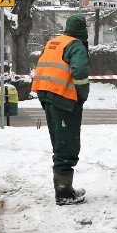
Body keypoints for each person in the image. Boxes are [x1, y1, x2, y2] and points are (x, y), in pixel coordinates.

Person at [31, 14, 90, 205]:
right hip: (64, 97)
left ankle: (64, 188)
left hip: (46, 95)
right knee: (67, 144)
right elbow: (79, 72)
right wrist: (82, 94)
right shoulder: (76, 45)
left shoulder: (54, 42)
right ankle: (64, 193)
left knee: (59, 141)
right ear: (83, 31)